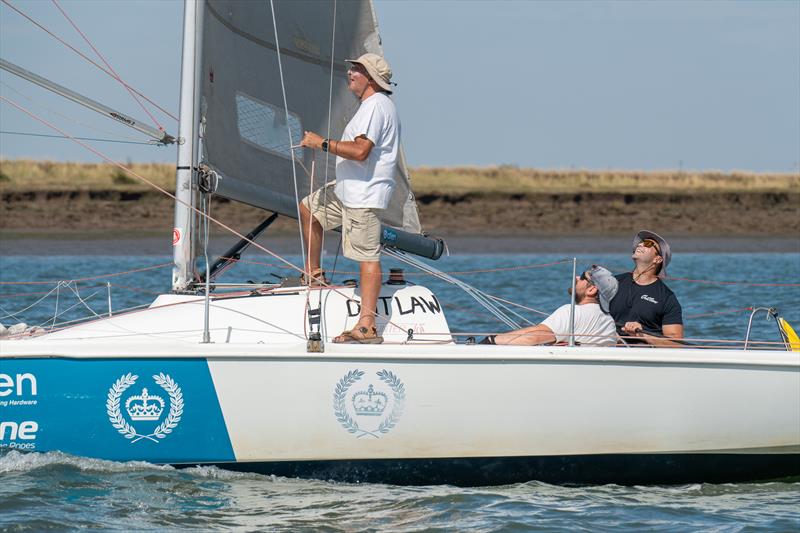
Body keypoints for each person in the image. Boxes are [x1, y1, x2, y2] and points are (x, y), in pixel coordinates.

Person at [298, 53, 399, 344]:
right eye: (352, 68)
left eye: (356, 69)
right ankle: (314, 275)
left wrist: (322, 143)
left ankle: (366, 325)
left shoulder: (376, 107)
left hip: (363, 196)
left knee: (367, 257)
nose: (350, 73)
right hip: (347, 190)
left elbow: (360, 151)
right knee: (308, 208)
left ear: (371, 78)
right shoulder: (371, 106)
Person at [483, 265, 619, 347]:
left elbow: (534, 337)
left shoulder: (571, 312)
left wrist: (491, 340)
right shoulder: (609, 322)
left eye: (583, 277)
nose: (577, 277)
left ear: (591, 290)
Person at [608, 230, 684, 346]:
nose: (640, 244)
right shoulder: (613, 282)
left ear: (657, 259)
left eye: (648, 244)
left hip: (643, 353)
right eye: (641, 242)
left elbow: (676, 344)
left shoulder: (667, 297)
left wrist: (642, 335)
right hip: (609, 348)